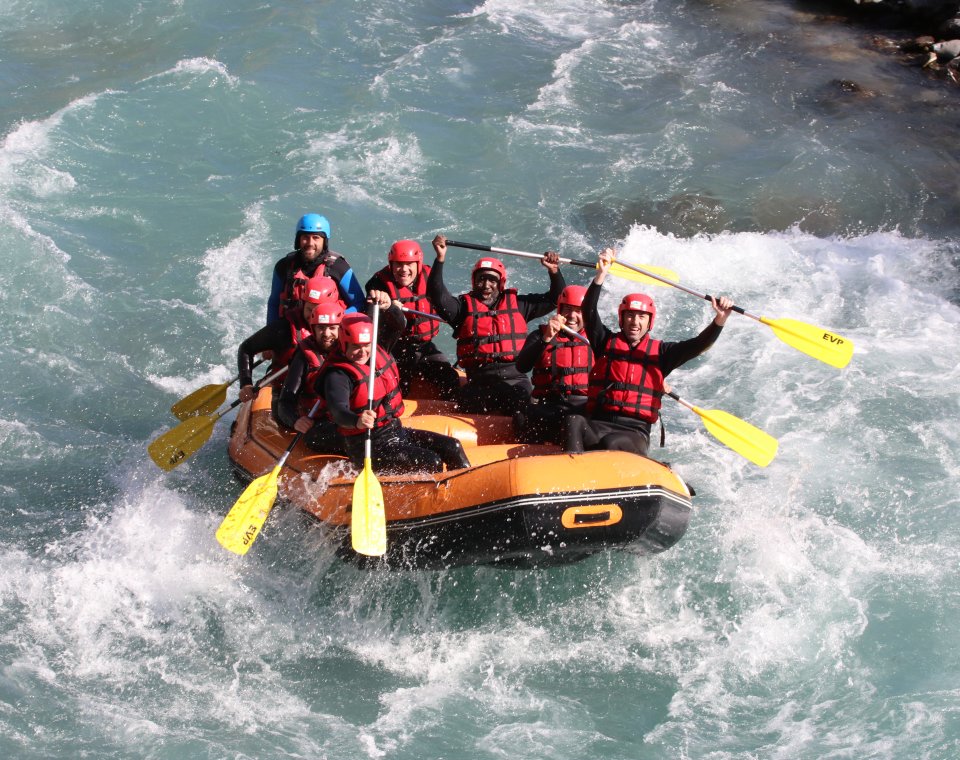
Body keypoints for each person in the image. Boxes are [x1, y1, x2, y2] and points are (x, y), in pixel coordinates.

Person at [565, 248, 734, 457]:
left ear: (649, 321)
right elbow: (589, 312)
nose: (634, 322)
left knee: (611, 442)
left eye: (641, 317)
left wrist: (720, 319)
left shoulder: (663, 354)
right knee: (574, 421)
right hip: (598, 423)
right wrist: (601, 274)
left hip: (634, 432)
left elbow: (698, 345)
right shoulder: (605, 342)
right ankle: (571, 468)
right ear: (622, 318)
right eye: (630, 316)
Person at [319, 295, 471, 475]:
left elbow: (398, 324)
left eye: (366, 345)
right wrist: (357, 421)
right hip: (367, 445)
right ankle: (433, 500)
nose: (362, 352)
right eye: (355, 347)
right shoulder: (338, 374)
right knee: (431, 461)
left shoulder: (379, 349)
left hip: (395, 432)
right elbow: (338, 411)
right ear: (344, 344)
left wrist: (390, 306)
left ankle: (463, 489)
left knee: (452, 446)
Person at [427, 233, 565, 416]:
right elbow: (436, 296)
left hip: (515, 380)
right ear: (474, 281)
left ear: (501, 283)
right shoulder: (462, 308)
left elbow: (556, 298)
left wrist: (554, 271)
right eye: (481, 279)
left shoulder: (520, 305)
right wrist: (440, 258)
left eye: (492, 280)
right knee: (467, 405)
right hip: (480, 382)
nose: (486, 285)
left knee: (523, 411)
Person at [364, 239, 460, 400]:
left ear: (418, 264)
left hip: (424, 347)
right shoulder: (378, 284)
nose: (404, 270)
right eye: (398, 264)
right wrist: (386, 307)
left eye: (409, 264)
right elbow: (369, 322)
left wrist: (440, 258)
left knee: (450, 379)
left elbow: (447, 305)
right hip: (394, 349)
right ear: (391, 264)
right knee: (398, 387)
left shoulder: (429, 277)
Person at [237, 274, 340, 403]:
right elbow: (246, 348)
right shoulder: (284, 328)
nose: (313, 316)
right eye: (309, 309)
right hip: (283, 393)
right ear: (302, 304)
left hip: (325, 397)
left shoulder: (345, 328)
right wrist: (246, 384)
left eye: (318, 311)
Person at [514, 284, 593, 444]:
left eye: (578, 311)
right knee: (521, 417)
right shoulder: (540, 335)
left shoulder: (597, 340)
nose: (571, 316)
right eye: (567, 309)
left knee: (576, 422)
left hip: (583, 408)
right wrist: (546, 338)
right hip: (550, 404)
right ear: (559, 310)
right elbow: (522, 366)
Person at [265, 213, 365, 326]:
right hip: (293, 330)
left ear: (324, 241)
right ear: (298, 239)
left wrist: (335, 318)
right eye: (305, 237)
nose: (310, 243)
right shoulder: (284, 266)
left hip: (326, 333)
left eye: (316, 238)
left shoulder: (338, 267)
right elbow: (274, 303)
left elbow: (359, 303)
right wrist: (271, 332)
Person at [274, 300, 347, 453]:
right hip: (320, 422)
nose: (327, 334)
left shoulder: (352, 350)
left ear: (341, 329)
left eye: (332, 328)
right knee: (318, 436)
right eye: (321, 328)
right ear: (313, 328)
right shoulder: (303, 357)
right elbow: (285, 402)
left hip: (349, 417)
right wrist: (296, 421)